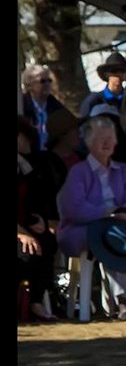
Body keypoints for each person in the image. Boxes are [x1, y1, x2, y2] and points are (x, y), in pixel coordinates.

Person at [56, 116, 126, 318]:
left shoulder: (124, 170)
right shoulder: (78, 172)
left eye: (109, 138)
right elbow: (73, 208)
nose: (105, 142)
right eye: (99, 138)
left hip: (118, 227)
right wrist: (106, 213)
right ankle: (122, 301)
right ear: (88, 143)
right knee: (107, 241)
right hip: (79, 230)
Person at [18, 119, 59, 320]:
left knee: (46, 241)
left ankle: (36, 302)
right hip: (18, 229)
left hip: (25, 222)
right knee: (27, 251)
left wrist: (39, 220)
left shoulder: (27, 165)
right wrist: (21, 231)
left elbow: (37, 195)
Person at [21, 65, 67, 153]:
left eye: (49, 81)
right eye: (42, 81)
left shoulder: (56, 106)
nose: (47, 85)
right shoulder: (21, 106)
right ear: (29, 85)